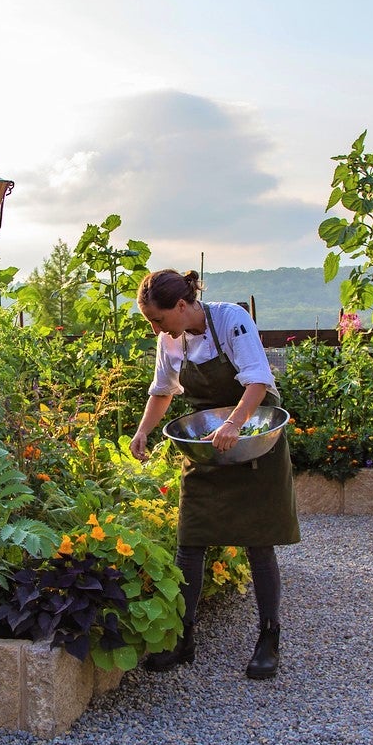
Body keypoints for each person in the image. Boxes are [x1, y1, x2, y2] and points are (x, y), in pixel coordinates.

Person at [129, 268, 300, 679]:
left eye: (159, 318)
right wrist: (142, 431)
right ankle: (182, 638)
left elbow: (258, 382)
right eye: (151, 321)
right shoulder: (169, 340)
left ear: (183, 305)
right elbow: (163, 391)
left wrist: (235, 424)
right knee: (191, 539)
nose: (156, 327)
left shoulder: (230, 321)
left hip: (254, 437)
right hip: (208, 445)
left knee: (259, 543)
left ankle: (268, 638)